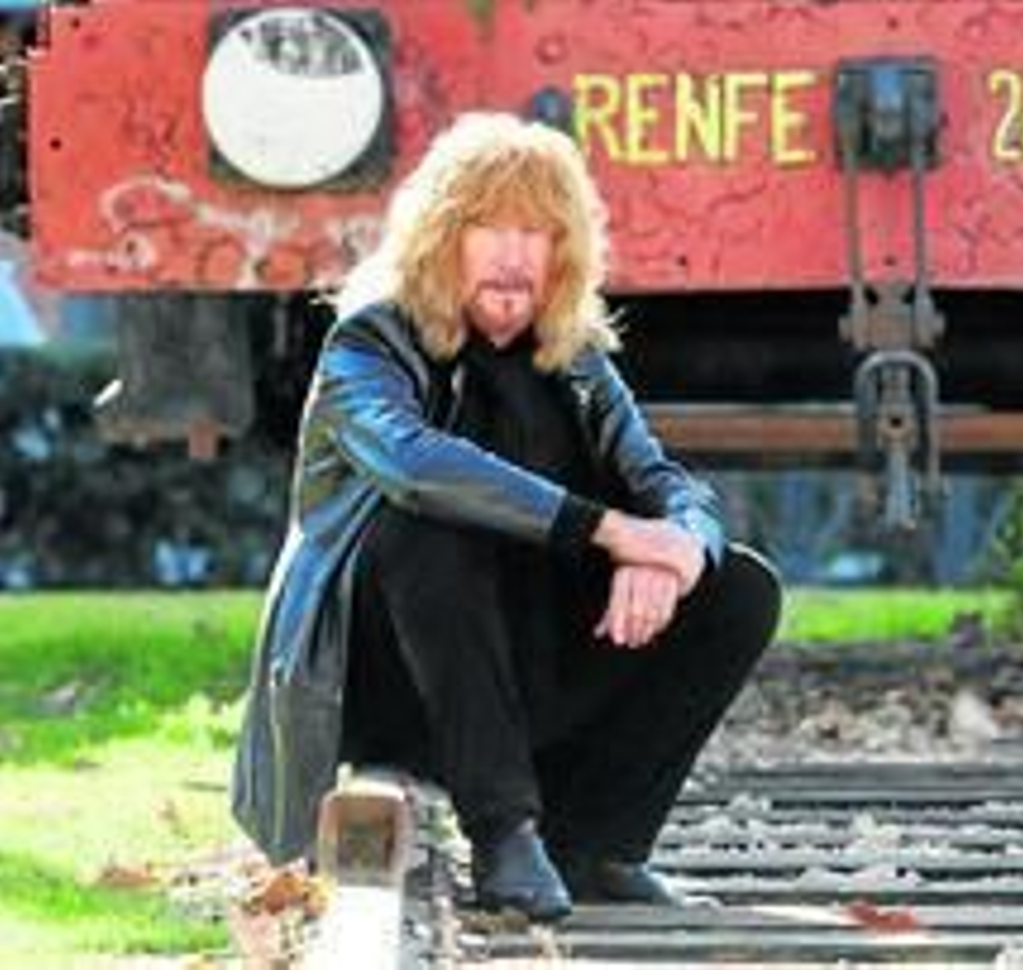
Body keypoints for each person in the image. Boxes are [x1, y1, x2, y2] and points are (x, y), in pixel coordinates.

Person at [231, 112, 782, 922]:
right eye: (490, 226)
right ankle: (503, 832)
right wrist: (612, 531)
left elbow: (665, 483)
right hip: (381, 684)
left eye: (539, 232)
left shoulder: (576, 360)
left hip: (518, 663)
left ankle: (594, 845)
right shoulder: (370, 342)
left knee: (739, 588)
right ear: (441, 236)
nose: (516, 253)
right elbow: (417, 465)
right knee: (425, 528)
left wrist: (676, 553)